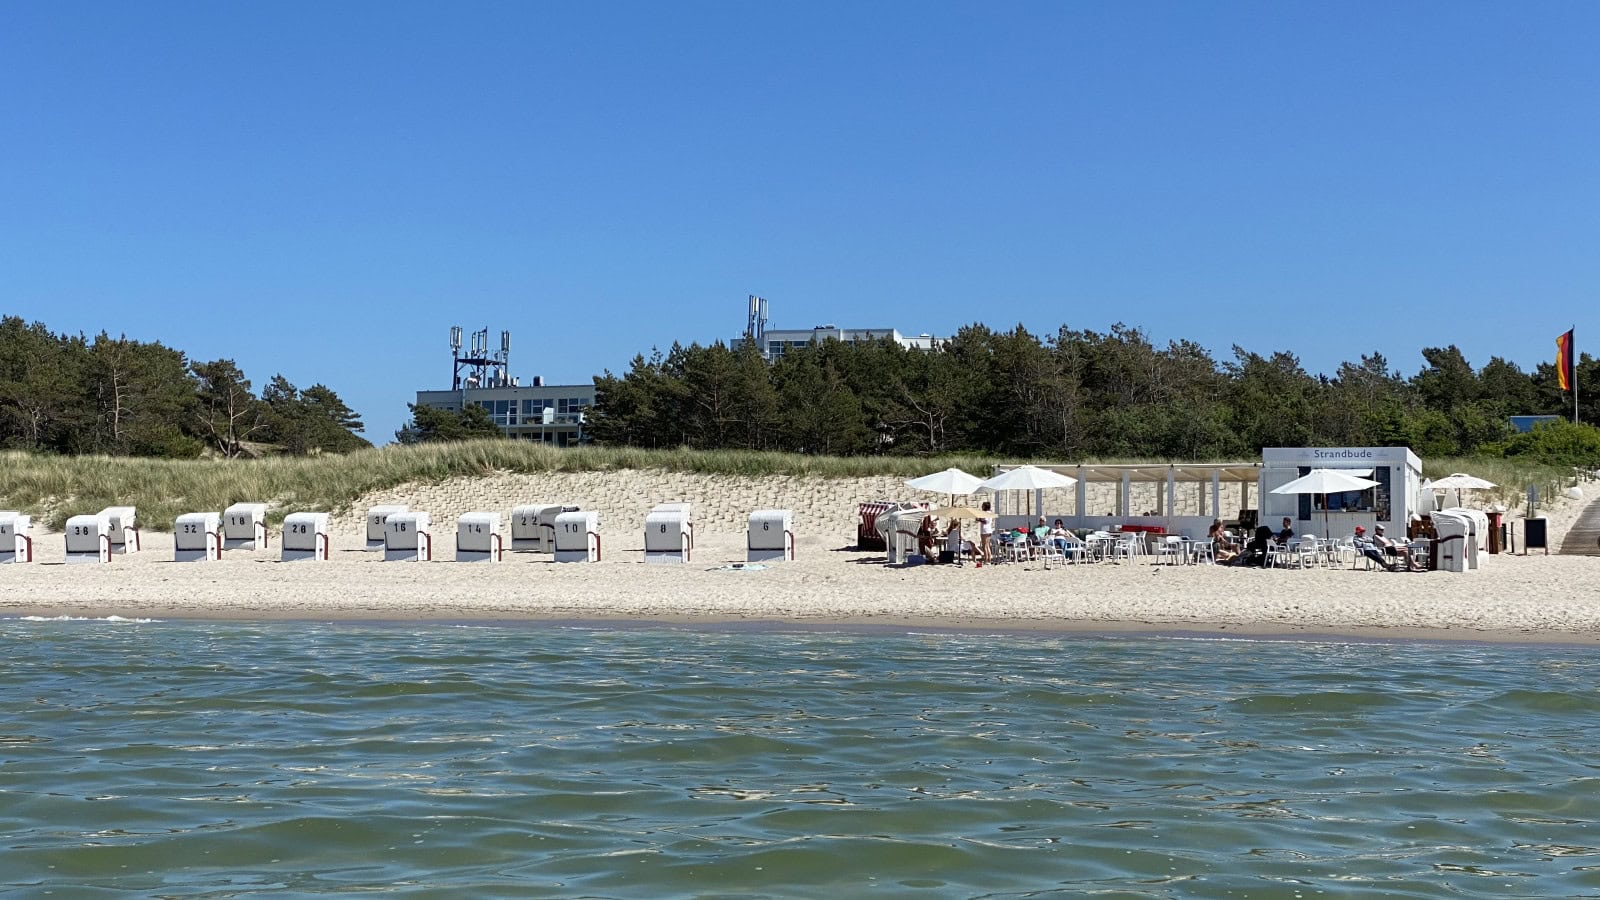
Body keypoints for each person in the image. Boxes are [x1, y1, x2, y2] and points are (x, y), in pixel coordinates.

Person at [977, 502, 995, 566]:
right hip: (989, 530)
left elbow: (985, 521)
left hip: (984, 530)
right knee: (987, 545)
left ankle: (986, 559)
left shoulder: (985, 513)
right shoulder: (990, 513)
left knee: (984, 546)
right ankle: (989, 559)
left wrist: (979, 520)